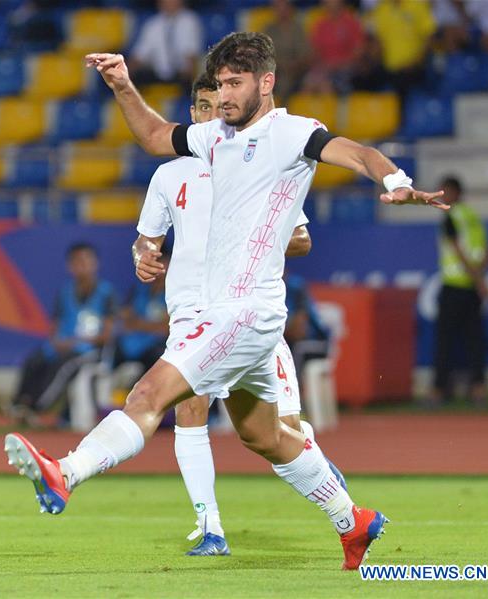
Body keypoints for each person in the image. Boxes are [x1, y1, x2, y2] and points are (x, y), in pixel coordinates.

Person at [4, 32, 446, 571]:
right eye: (219, 84)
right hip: (232, 316)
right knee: (264, 435)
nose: (225, 94)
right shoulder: (215, 137)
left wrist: (396, 179)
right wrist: (122, 85)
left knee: (148, 394)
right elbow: (155, 136)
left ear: (267, 82)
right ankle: (352, 520)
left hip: (245, 311)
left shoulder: (291, 132)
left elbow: (357, 153)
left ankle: (66, 473)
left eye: (235, 83)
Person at [132, 73, 345, 556]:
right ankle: (210, 528)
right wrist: (142, 257)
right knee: (189, 408)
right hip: (190, 312)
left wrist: (247, 237)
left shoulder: (258, 168)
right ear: (193, 115)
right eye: (204, 108)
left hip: (246, 313)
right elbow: (146, 239)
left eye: (220, 106)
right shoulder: (169, 175)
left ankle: (334, 494)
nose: (214, 115)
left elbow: (302, 239)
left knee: (280, 434)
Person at [9, 242, 117, 427]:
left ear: (95, 264)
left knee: (63, 366)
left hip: (90, 350)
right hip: (63, 345)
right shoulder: (65, 292)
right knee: (34, 360)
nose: (82, 266)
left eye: (86, 261)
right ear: (70, 266)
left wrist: (77, 341)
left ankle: (36, 407)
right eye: (77, 262)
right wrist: (56, 342)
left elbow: (107, 335)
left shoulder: (106, 293)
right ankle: (18, 404)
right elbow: (55, 325)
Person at [430, 175, 488, 407]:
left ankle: (439, 390)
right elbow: (487, 251)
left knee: (445, 342)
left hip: (454, 286)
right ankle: (478, 389)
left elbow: (458, 251)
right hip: (471, 288)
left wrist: (478, 280)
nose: (441, 196)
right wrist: (480, 277)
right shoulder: (473, 216)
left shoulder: (451, 216)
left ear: (455, 193)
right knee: (475, 341)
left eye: (444, 192)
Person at [114, 250, 170, 375]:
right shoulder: (137, 291)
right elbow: (125, 321)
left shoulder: (175, 294)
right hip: (131, 346)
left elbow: (167, 328)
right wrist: (154, 326)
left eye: (161, 262)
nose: (156, 266)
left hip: (157, 350)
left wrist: (139, 324)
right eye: (153, 262)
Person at [127, 0, 203, 88]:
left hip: (182, 79)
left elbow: (192, 56)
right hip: (157, 79)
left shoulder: (191, 21)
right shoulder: (152, 24)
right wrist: (124, 76)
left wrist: (189, 82)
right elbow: (139, 56)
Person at [302, 0, 366, 94]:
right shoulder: (320, 24)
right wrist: (322, 65)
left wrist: (337, 64)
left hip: (347, 69)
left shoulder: (352, 22)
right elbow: (315, 51)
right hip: (325, 68)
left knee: (325, 87)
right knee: (308, 86)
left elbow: (359, 52)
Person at [284, 269, 331, 379]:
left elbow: (298, 332)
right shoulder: (265, 289)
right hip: (290, 339)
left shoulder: (296, 286)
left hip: (316, 341)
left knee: (296, 349)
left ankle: (294, 387)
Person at [262, 0, 312, 103]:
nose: (282, 11)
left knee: (285, 83)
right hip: (275, 69)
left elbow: (305, 54)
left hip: (297, 70)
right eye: (278, 8)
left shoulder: (298, 29)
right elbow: (264, 54)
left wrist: (294, 65)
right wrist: (279, 65)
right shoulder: (269, 30)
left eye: (284, 7)